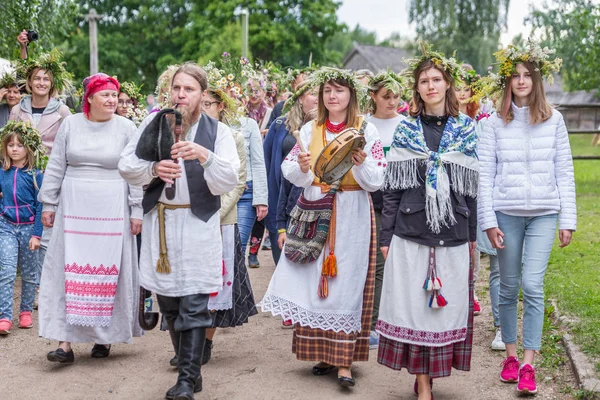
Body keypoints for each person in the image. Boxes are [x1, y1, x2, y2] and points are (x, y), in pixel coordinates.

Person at [119, 62, 239, 400]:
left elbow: (228, 179)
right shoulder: (154, 122)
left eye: (189, 89)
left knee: (195, 304)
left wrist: (204, 155)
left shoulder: (218, 133)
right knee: (170, 303)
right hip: (162, 224)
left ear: (203, 94)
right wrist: (154, 167)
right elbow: (126, 164)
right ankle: (191, 373)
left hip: (199, 224)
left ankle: (187, 379)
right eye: (176, 88)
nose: (181, 95)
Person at [260, 67, 386, 388]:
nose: (333, 96)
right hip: (316, 207)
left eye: (340, 91)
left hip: (352, 211)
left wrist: (361, 165)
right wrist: (301, 167)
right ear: (321, 95)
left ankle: (344, 362)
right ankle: (324, 352)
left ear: (351, 96)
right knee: (315, 279)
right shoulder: (309, 130)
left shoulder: (366, 130)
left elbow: (377, 178)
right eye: (328, 90)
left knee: (347, 281)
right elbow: (292, 169)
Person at [377, 44, 478, 400]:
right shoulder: (405, 130)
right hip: (410, 230)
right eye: (424, 80)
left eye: (436, 79)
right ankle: (422, 384)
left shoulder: (466, 130)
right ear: (416, 88)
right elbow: (391, 190)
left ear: (448, 84)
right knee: (413, 308)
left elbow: (472, 190)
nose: (430, 85)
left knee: (440, 311)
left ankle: (430, 377)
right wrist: (386, 237)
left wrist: (472, 236)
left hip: (453, 232)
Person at [478, 40, 576, 395]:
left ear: (536, 80)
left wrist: (568, 219)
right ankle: (510, 355)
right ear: (507, 82)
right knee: (508, 285)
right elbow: (485, 175)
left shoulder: (555, 120)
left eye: (527, 75)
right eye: (515, 76)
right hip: (506, 214)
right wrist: (488, 220)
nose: (521, 81)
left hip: (544, 214)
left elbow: (564, 170)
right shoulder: (493, 124)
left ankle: (530, 365)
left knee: (532, 286)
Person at [38, 74, 143, 363]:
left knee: (107, 270)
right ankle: (64, 342)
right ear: (90, 99)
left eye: (115, 95)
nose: (112, 101)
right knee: (68, 269)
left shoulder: (126, 127)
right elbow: (57, 163)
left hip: (112, 207)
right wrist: (49, 203)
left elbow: (134, 172)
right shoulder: (71, 124)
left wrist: (136, 210)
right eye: (106, 95)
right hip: (74, 208)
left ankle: (103, 338)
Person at [199, 66, 257, 365]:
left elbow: (238, 181)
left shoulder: (232, 137)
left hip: (222, 217)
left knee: (218, 283)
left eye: (209, 103)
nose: (204, 108)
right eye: (202, 103)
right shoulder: (184, 134)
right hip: (191, 219)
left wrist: (213, 212)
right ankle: (189, 342)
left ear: (221, 106)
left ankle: (206, 342)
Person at [365, 70, 406, 350]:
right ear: (373, 97)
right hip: (373, 200)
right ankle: (374, 323)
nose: (392, 102)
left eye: (395, 96)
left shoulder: (406, 125)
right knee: (377, 264)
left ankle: (396, 319)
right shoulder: (365, 125)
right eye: (386, 97)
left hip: (403, 201)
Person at [263, 80, 317, 265]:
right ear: (301, 98)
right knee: (283, 264)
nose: (319, 98)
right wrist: (263, 200)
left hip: (313, 202)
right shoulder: (280, 125)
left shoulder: (324, 127)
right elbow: (266, 162)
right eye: (313, 93)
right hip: (282, 199)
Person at [0, 121, 44, 335]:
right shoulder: (2, 173)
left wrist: (37, 234)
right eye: (11, 145)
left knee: (28, 274)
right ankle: (4, 316)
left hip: (29, 230)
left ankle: (25, 312)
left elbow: (40, 205)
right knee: (7, 272)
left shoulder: (36, 175)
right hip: (6, 226)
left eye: (19, 145)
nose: (15, 149)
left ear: (29, 147)